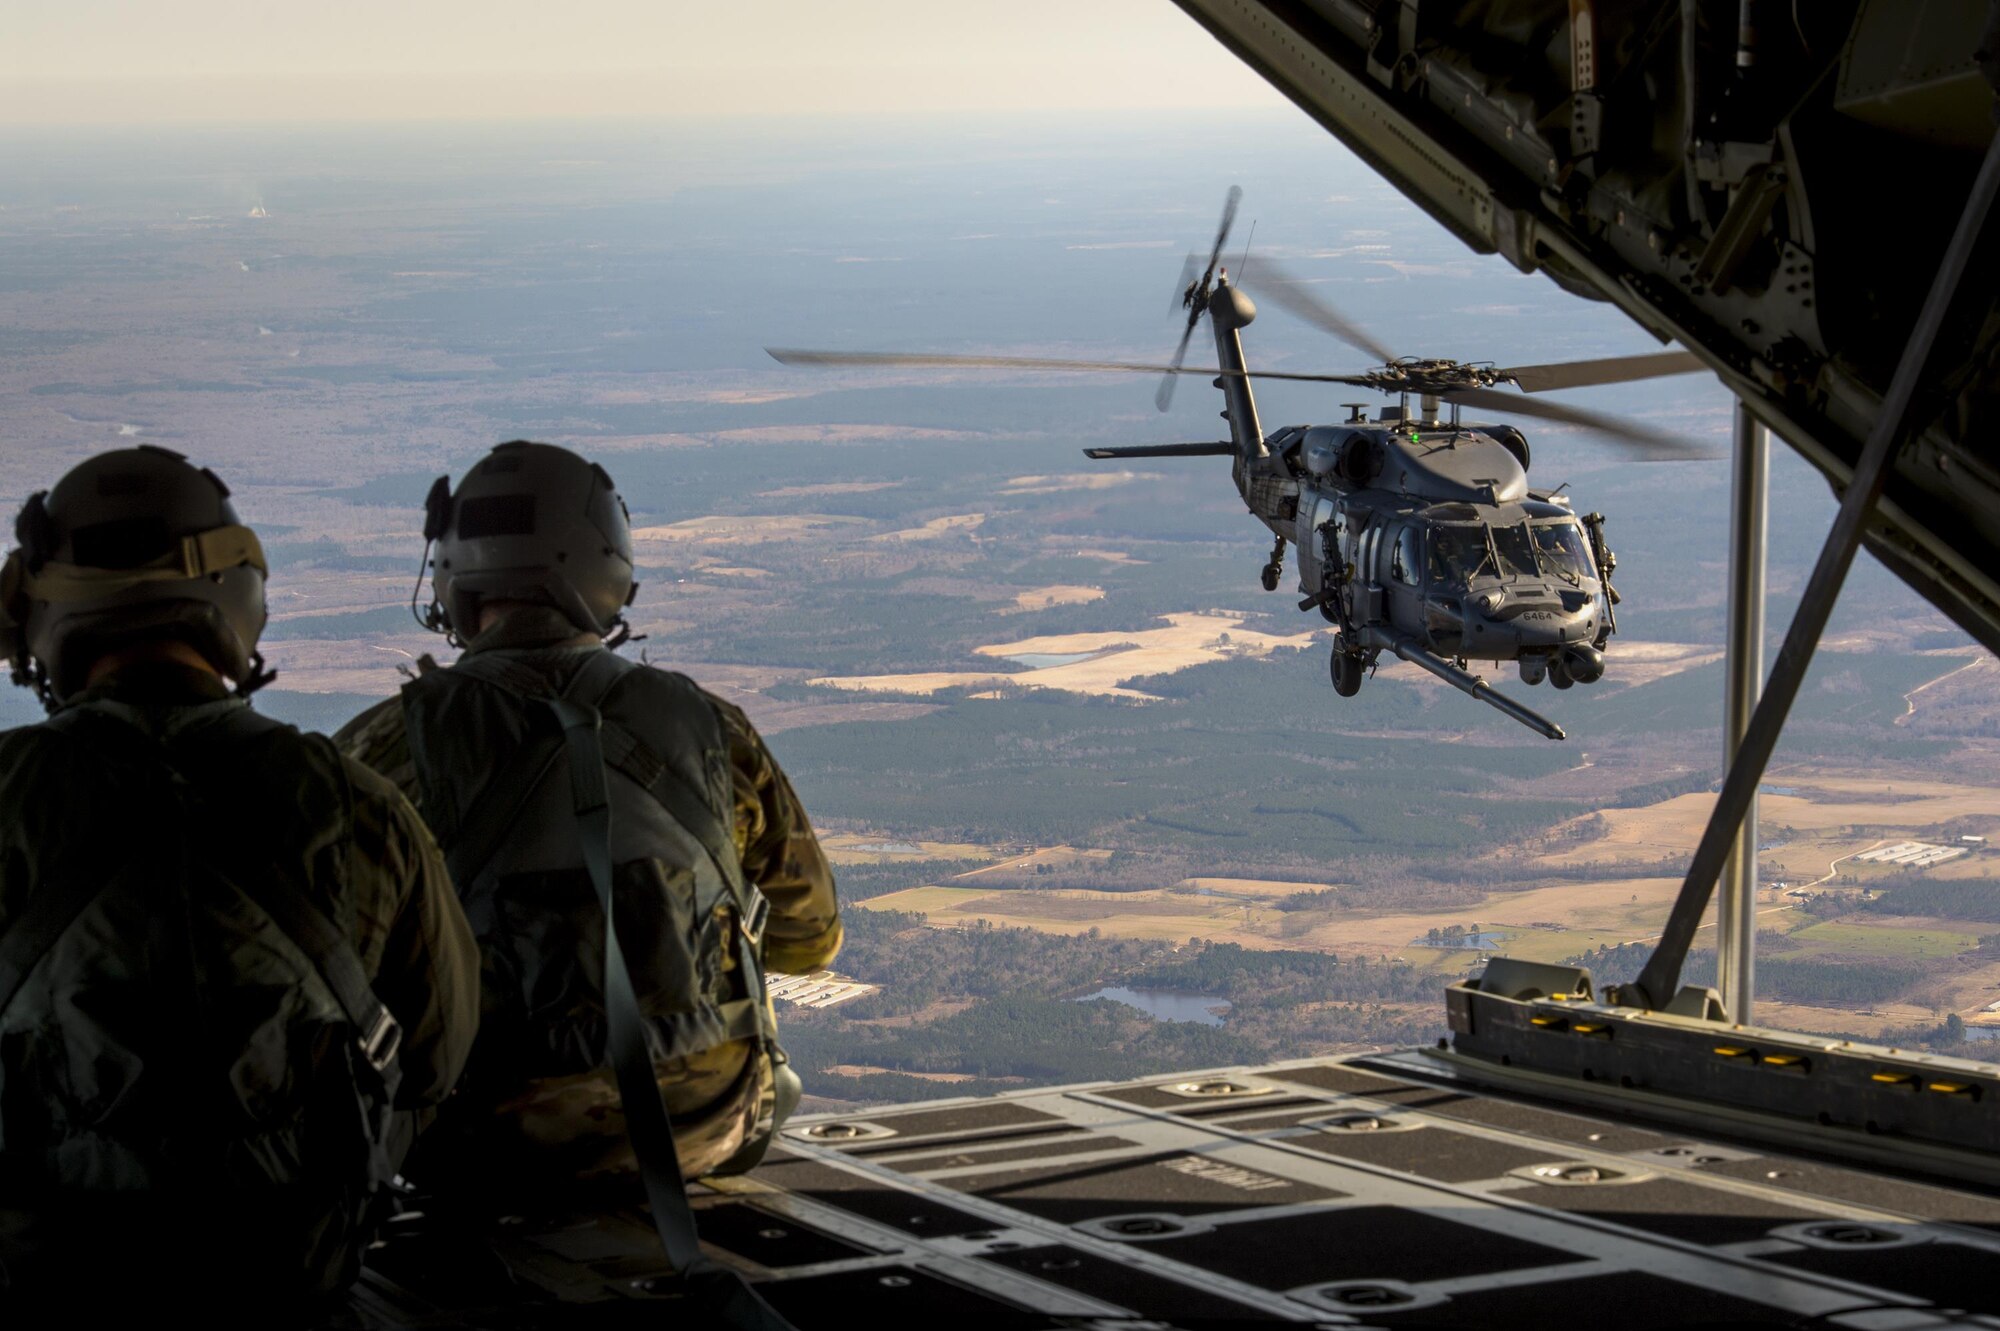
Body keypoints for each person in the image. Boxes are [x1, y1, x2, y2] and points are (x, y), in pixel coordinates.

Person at [0, 445, 479, 1312]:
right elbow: (438, 1052)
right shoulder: (353, 800)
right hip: (289, 1270)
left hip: (44, 1273)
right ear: (236, 597)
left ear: (38, 613)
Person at [335, 440, 839, 1204]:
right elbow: (811, 939)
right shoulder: (709, 727)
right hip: (707, 1120)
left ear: (454, 579)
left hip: (477, 1143)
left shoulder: (380, 752)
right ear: (609, 572)